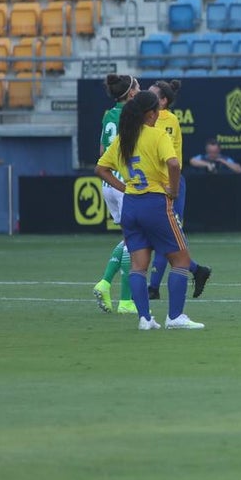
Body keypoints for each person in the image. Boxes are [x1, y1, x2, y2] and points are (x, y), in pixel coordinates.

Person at [95, 90, 205, 330]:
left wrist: (125, 188)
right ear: (150, 113)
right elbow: (174, 163)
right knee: (182, 259)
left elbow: (101, 169)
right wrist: (174, 190)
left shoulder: (124, 138)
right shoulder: (156, 135)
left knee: (138, 265)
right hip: (154, 203)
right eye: (156, 111)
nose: (158, 115)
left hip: (132, 206)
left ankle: (145, 319)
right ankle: (175, 317)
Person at [146, 80, 209, 301]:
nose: (147, 96)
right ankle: (196, 270)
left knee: (167, 236)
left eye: (153, 94)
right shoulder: (153, 117)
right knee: (162, 237)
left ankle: (153, 288)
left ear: (163, 100)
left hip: (168, 182)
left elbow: (160, 154)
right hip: (156, 182)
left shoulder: (165, 120)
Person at [93, 74, 141, 315]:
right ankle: (125, 301)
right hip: (124, 182)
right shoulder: (132, 114)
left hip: (108, 182)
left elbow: (103, 151)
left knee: (128, 239)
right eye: (138, 86)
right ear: (131, 92)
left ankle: (105, 283)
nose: (140, 89)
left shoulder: (108, 115)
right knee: (134, 242)